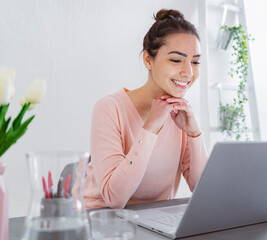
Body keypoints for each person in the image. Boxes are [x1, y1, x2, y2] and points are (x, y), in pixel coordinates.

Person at [82, 9, 208, 209]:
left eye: (195, 62)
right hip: (103, 222)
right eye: (176, 60)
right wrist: (150, 128)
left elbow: (202, 189)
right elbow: (115, 198)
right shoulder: (109, 108)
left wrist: (194, 133)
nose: (189, 72)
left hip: (154, 225)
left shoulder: (181, 115)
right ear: (148, 60)